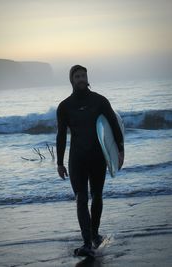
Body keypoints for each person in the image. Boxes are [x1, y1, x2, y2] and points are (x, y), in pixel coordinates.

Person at [56, 65, 124, 256]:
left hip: (97, 158)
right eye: (77, 76)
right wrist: (60, 162)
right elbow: (61, 135)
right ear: (72, 80)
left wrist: (119, 150)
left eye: (83, 76)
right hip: (77, 158)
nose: (81, 79)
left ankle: (94, 234)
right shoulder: (64, 106)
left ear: (87, 78)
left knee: (97, 196)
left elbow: (113, 125)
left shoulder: (100, 101)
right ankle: (87, 242)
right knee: (81, 199)